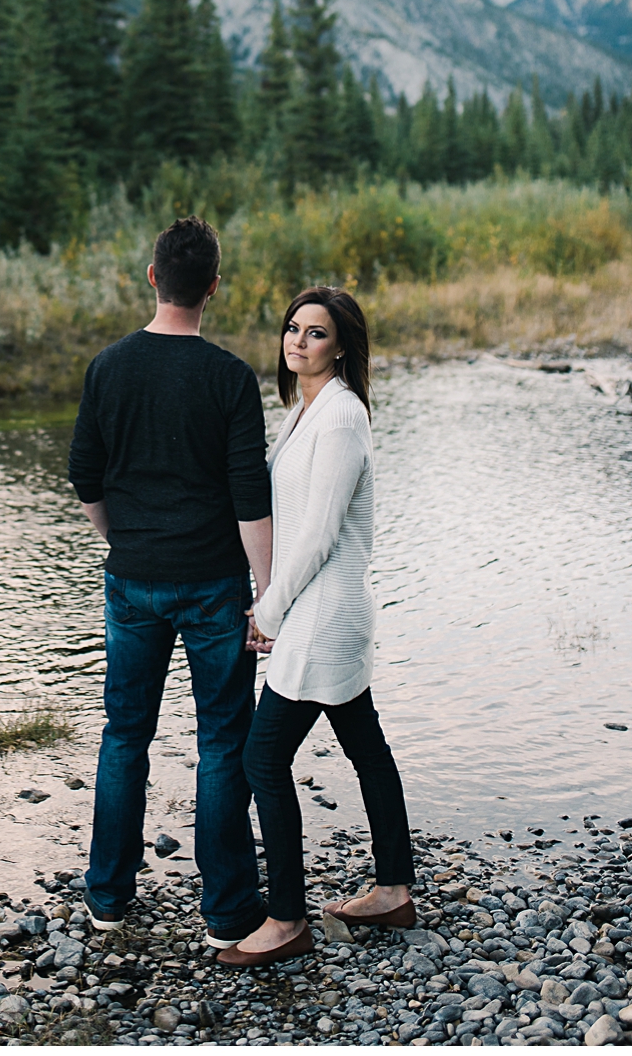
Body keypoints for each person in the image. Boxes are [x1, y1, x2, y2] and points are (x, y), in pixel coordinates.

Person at [68, 215, 274, 949]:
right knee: (223, 741)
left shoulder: (107, 367)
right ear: (213, 287)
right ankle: (225, 915)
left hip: (132, 581)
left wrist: (119, 537)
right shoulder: (228, 377)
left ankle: (109, 898)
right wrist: (268, 595)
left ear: (153, 276)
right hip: (215, 582)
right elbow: (252, 497)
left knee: (125, 734)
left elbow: (84, 476)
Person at [217, 284, 416, 969]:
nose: (298, 341)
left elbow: (322, 532)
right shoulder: (305, 412)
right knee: (365, 744)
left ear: (343, 345)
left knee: (262, 758)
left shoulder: (339, 417)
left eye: (317, 332)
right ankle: (393, 887)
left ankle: (286, 918)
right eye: (293, 328)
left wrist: (268, 608)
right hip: (317, 608)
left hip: (325, 612)